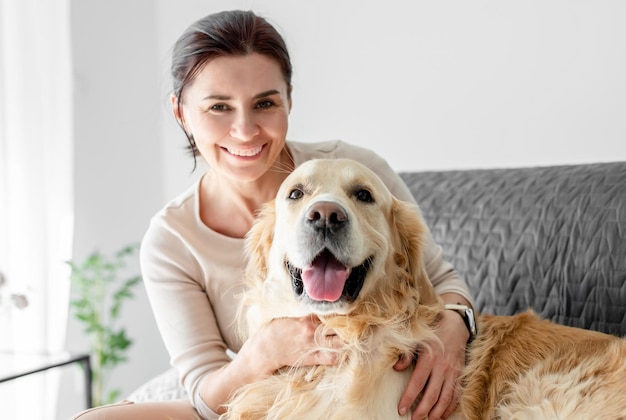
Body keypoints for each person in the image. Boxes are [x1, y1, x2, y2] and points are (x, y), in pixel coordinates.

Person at [72, 10, 474, 420]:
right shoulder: (171, 240)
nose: (245, 130)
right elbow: (206, 396)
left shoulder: (355, 170)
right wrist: (266, 349)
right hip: (263, 389)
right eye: (218, 107)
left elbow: (440, 281)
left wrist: (455, 329)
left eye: (264, 103)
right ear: (181, 112)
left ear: (289, 100)